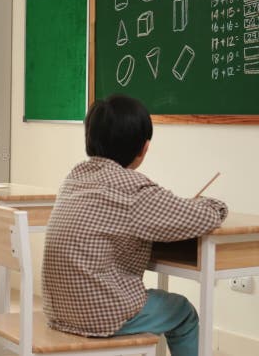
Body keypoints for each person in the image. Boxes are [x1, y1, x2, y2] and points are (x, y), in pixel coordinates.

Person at [42, 94, 228, 356]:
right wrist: (216, 204)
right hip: (99, 314)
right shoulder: (134, 189)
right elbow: (204, 217)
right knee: (183, 313)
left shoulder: (74, 178)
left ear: (89, 139)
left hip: (58, 309)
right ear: (144, 148)